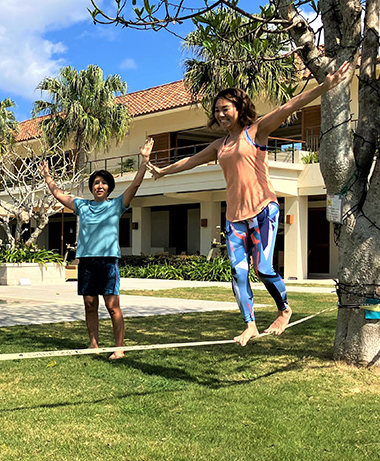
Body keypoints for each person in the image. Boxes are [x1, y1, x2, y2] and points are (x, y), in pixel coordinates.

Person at [148, 62, 351, 346]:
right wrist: (162, 171)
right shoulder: (220, 145)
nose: (220, 115)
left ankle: (284, 309)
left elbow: (288, 107)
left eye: (225, 109)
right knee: (238, 271)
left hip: (263, 210)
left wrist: (324, 87)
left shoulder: (255, 131)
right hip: (234, 217)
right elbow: (189, 161)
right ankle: (250, 324)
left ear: (239, 109)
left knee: (263, 268)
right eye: (216, 110)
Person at [41, 138, 154, 359]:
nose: (99, 186)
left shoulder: (116, 205)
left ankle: (119, 348)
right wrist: (47, 176)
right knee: (90, 304)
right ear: (92, 187)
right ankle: (94, 345)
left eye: (103, 183)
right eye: (95, 183)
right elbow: (58, 194)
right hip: (86, 262)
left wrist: (144, 162)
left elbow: (135, 185)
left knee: (112, 306)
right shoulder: (82, 205)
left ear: (109, 187)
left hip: (108, 261)